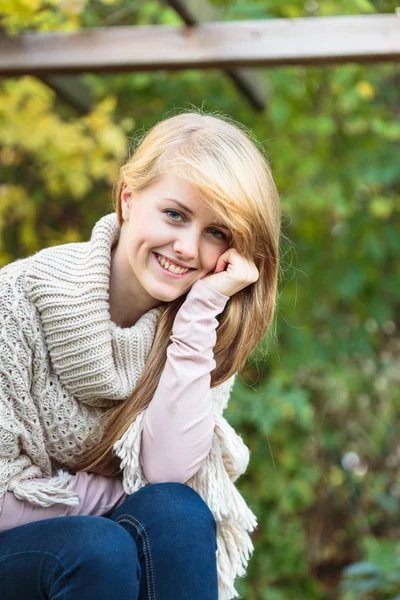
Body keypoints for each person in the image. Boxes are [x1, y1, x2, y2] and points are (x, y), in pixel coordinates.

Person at [0, 110, 281, 599]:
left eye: (217, 232)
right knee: (98, 549)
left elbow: (165, 477)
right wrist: (116, 496)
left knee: (178, 514)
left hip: (90, 543)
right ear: (129, 199)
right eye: (175, 214)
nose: (188, 248)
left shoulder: (203, 327)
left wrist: (201, 315)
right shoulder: (18, 301)